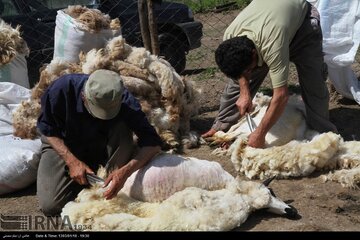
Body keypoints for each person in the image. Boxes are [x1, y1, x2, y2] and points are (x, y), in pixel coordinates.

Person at [202, 0, 338, 148]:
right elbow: (240, 72)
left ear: (254, 54)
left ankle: (323, 136)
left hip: (303, 26)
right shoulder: (230, 38)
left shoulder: (272, 47)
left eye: (248, 70)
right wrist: (244, 92)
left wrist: (260, 134)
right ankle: (223, 128)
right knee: (237, 84)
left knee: (313, 83)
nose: (248, 73)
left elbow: (281, 95)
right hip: (271, 24)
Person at [36, 69, 163, 216]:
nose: (103, 117)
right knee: (50, 206)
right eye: (98, 111)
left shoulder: (124, 100)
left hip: (103, 142)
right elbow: (48, 130)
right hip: (65, 144)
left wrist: (126, 171)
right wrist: (71, 161)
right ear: (84, 97)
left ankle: (107, 181)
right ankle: (83, 178)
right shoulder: (61, 90)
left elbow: (153, 143)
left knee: (123, 126)